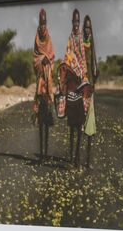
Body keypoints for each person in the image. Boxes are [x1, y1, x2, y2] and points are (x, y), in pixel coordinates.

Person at [59, 9, 89, 166]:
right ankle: (71, 156)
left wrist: (82, 74)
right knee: (71, 126)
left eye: (78, 22)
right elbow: (66, 60)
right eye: (74, 22)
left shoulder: (82, 40)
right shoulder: (70, 40)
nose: (76, 24)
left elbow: (83, 62)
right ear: (72, 23)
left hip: (81, 81)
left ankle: (77, 156)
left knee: (79, 125)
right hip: (71, 85)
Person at [32, 9, 55, 161]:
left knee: (47, 120)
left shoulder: (49, 41)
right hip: (40, 85)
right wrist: (41, 61)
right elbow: (34, 60)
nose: (42, 27)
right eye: (40, 24)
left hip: (48, 85)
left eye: (44, 24)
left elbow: (52, 57)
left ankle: (46, 152)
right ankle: (41, 153)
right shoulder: (36, 42)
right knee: (40, 121)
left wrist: (47, 60)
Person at [81, 15, 99, 168]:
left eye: (89, 27)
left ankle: (87, 161)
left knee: (90, 124)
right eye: (85, 27)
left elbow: (94, 65)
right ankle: (77, 159)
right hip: (81, 86)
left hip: (90, 88)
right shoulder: (80, 43)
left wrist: (95, 76)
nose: (87, 30)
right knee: (79, 122)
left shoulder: (92, 43)